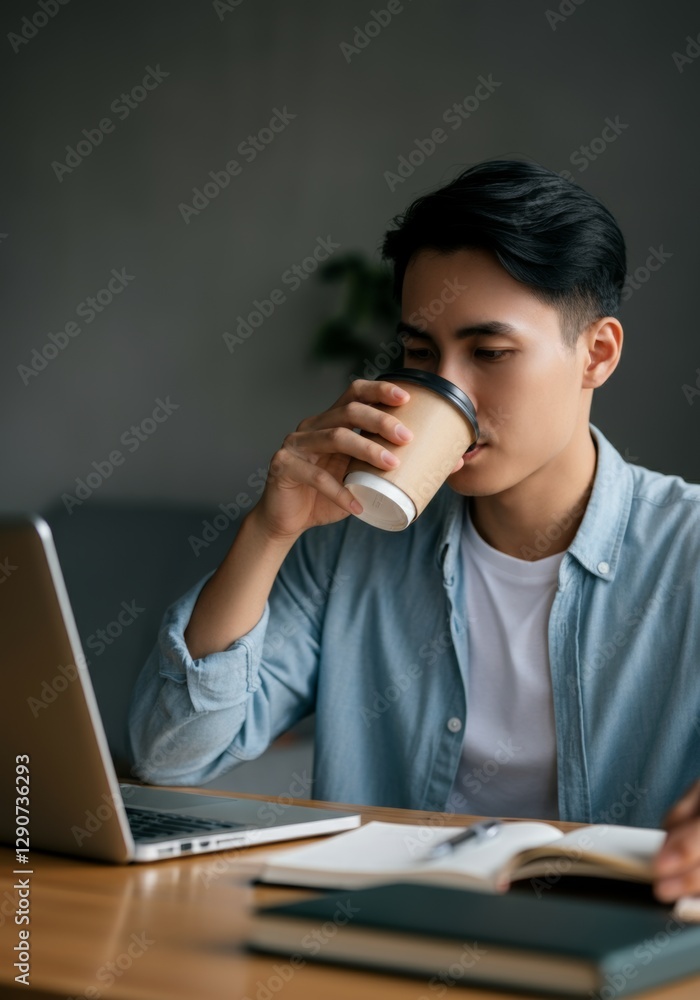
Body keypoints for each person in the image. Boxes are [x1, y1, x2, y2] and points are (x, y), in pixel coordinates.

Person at [129, 159, 700, 903]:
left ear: (596, 354)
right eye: (422, 355)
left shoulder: (685, 550)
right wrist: (269, 533)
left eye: (490, 353)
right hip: (383, 938)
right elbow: (168, 755)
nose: (449, 390)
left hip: (615, 950)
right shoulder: (349, 543)